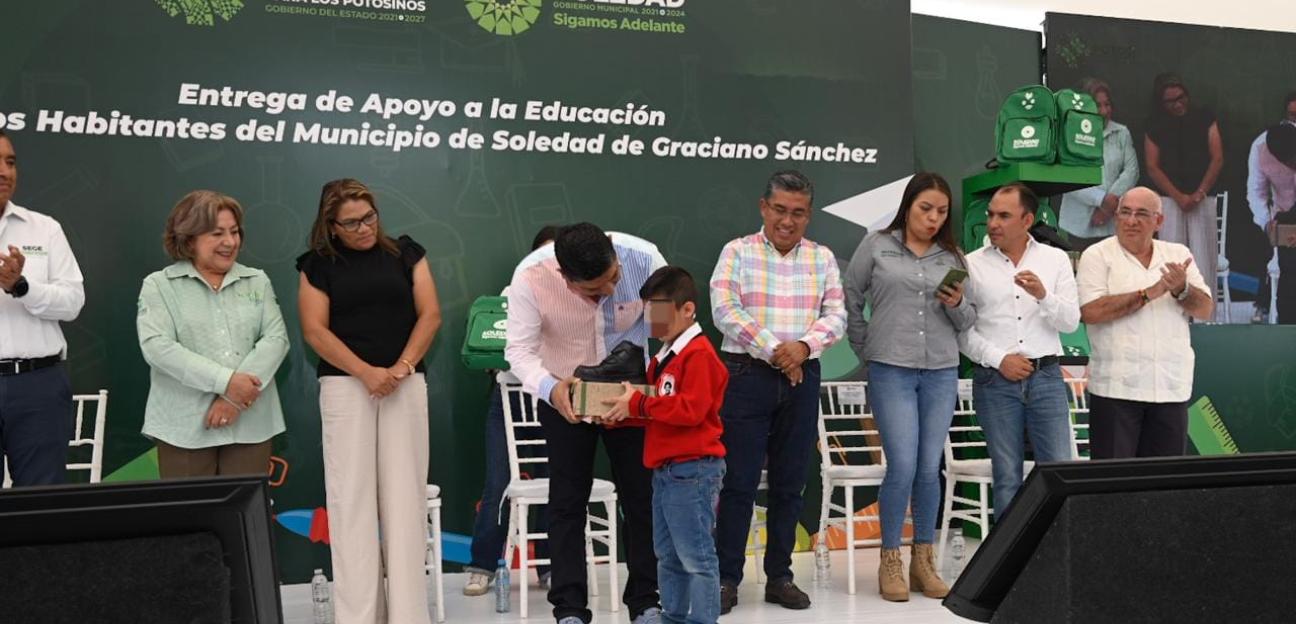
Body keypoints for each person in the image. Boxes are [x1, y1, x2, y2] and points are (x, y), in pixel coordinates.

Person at [504, 222, 665, 624]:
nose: (610, 291)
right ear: (565, 277)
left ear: (614, 252)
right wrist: (551, 389)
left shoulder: (646, 260)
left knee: (642, 499)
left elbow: (667, 334)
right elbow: (519, 352)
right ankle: (570, 609)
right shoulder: (530, 278)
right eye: (594, 289)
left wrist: (647, 391)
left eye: (613, 278)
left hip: (630, 398)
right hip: (564, 397)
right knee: (566, 503)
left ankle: (645, 601)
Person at [297, 178, 442, 624]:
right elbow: (315, 331)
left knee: (406, 503)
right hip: (346, 388)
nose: (363, 228)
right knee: (351, 504)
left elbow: (431, 314)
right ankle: (358, 617)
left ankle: (408, 616)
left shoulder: (406, 253)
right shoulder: (317, 266)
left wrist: (400, 368)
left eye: (369, 217)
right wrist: (365, 373)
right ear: (331, 225)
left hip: (404, 383)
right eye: (352, 222)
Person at [709, 170, 845, 614]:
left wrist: (803, 348)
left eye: (798, 213)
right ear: (764, 207)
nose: (788, 221)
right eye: (780, 210)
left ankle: (780, 577)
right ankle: (726, 579)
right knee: (738, 483)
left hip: (803, 377)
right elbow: (724, 310)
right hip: (747, 375)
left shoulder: (822, 258)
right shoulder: (737, 252)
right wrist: (775, 350)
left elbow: (837, 316)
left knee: (790, 483)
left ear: (809, 215)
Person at [843, 172, 974, 602]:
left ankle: (924, 560)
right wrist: (866, 344)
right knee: (901, 465)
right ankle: (890, 559)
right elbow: (850, 292)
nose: (933, 218)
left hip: (940, 369)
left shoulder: (952, 255)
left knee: (927, 466)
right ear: (908, 205)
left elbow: (968, 319)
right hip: (891, 370)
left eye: (941, 211)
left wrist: (956, 306)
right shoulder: (878, 243)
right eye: (925, 208)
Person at [603, 266, 728, 624]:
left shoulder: (699, 355)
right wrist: (622, 415)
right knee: (667, 554)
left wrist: (638, 404)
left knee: (697, 556)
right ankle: (672, 615)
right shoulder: (665, 357)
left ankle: (703, 619)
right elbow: (659, 410)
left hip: (693, 471)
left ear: (687, 309)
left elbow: (689, 410)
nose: (651, 320)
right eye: (648, 311)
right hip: (665, 471)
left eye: (658, 310)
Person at [137, 191, 288, 478]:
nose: (230, 242)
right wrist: (227, 382)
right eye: (217, 233)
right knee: (188, 516)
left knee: (244, 514)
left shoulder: (257, 280)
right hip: (183, 426)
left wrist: (233, 399)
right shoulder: (159, 285)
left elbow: (276, 339)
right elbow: (158, 348)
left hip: (250, 422)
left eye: (234, 232)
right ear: (188, 238)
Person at [958, 184, 1080, 518]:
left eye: (1004, 216)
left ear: (1027, 219)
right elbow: (962, 331)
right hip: (995, 381)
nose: (993, 223)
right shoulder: (971, 265)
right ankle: (1009, 565)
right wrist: (1001, 360)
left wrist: (1043, 295)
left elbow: (1070, 322)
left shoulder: (1054, 260)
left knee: (1059, 471)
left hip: (1047, 378)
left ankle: (1058, 556)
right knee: (1007, 476)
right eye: (991, 215)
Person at [1077, 187, 1213, 459]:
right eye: (1125, 212)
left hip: (1170, 388)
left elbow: (1205, 308)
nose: (1131, 221)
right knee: (1113, 485)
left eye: (1141, 214)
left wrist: (1182, 289)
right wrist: (1147, 294)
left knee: (1163, 485)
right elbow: (1091, 311)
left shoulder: (1177, 253)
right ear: (1116, 217)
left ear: (1158, 221)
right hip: (1116, 390)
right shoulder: (1097, 255)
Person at [463, 225, 559, 596]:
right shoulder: (510, 294)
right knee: (498, 484)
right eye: (544, 254)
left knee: (556, 485)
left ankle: (552, 566)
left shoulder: (578, 297)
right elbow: (495, 351)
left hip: (554, 401)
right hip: (510, 401)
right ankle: (483, 565)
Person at [0, 129, 85, 486]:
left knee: (41, 504)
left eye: (10, 162)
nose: (5, 171)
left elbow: (72, 303)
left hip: (37, 386)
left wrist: (21, 287)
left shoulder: (45, 229)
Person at [1144, 73, 1224, 290]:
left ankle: (1205, 316)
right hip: (1170, 201)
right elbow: (1152, 166)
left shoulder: (1204, 116)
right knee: (1171, 260)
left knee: (1204, 261)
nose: (1178, 104)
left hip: (1203, 198)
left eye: (1181, 97)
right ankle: (1174, 313)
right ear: (1161, 103)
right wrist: (1179, 197)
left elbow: (1217, 157)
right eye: (1171, 101)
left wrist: (1199, 193)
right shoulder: (1155, 125)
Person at [1059, 78, 1140, 246]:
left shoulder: (1121, 132)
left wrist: (1109, 204)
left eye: (1107, 104)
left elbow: (1132, 171)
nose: (1104, 111)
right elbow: (1069, 176)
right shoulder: (1069, 134)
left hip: (1113, 221)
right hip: (1078, 224)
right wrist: (1101, 200)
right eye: (1098, 105)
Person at [1247, 122, 1296, 324]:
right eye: (1289, 162)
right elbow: (1256, 193)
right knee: (1289, 284)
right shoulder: (1259, 149)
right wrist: (1267, 224)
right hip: (1284, 218)